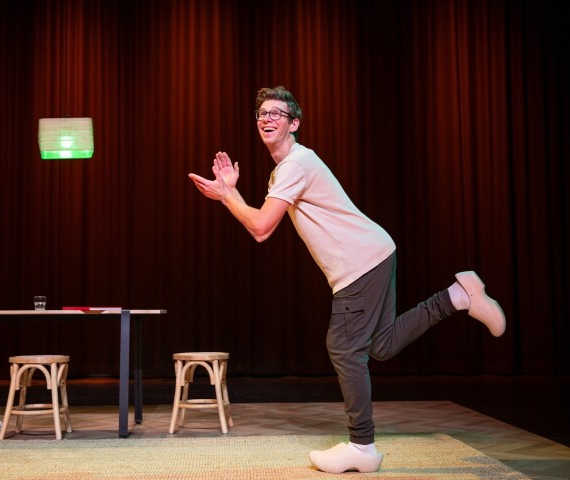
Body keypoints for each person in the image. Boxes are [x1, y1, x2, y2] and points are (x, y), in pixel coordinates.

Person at [188, 86, 506, 474]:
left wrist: (227, 195)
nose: (267, 119)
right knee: (381, 346)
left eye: (276, 113)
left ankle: (362, 447)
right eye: (262, 114)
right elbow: (260, 228)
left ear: (294, 124)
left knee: (343, 347)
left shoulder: (295, 165)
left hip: (360, 264)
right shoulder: (286, 169)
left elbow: (261, 227)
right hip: (375, 253)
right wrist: (231, 193)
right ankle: (457, 296)